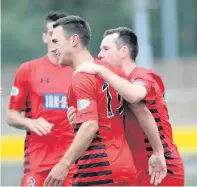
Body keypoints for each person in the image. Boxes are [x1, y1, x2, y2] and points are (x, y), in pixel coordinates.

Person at [72, 27, 185, 186]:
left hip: (161, 167)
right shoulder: (114, 84)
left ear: (123, 51)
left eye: (106, 49)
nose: (100, 54)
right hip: (134, 168)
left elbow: (135, 96)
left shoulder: (142, 76)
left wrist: (100, 69)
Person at [43, 15, 137, 186]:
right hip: (125, 167)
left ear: (74, 40)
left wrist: (63, 164)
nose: (51, 48)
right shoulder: (112, 71)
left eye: (55, 41)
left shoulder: (82, 76)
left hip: (99, 170)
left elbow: (91, 126)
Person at [6, 11, 75, 186]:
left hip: (73, 164)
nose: (54, 39)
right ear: (45, 37)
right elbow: (11, 116)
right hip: (38, 163)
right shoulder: (28, 70)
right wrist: (32, 123)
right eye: (51, 34)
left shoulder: (80, 70)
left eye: (59, 35)